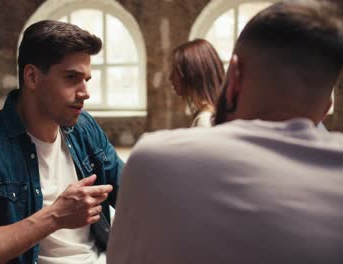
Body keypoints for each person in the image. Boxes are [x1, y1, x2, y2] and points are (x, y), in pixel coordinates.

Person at [108, 1, 343, 263]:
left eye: (175, 72)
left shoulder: (153, 158)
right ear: (327, 106)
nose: (170, 80)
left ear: (234, 77)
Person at [0, 20, 124, 264]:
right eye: (71, 77)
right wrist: (54, 216)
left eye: (86, 79)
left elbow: (133, 195)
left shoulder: (84, 127)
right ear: (32, 77)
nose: (85, 92)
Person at [169, 39, 225, 127]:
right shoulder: (207, 115)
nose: (170, 77)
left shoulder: (204, 121)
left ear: (191, 73)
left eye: (175, 70)